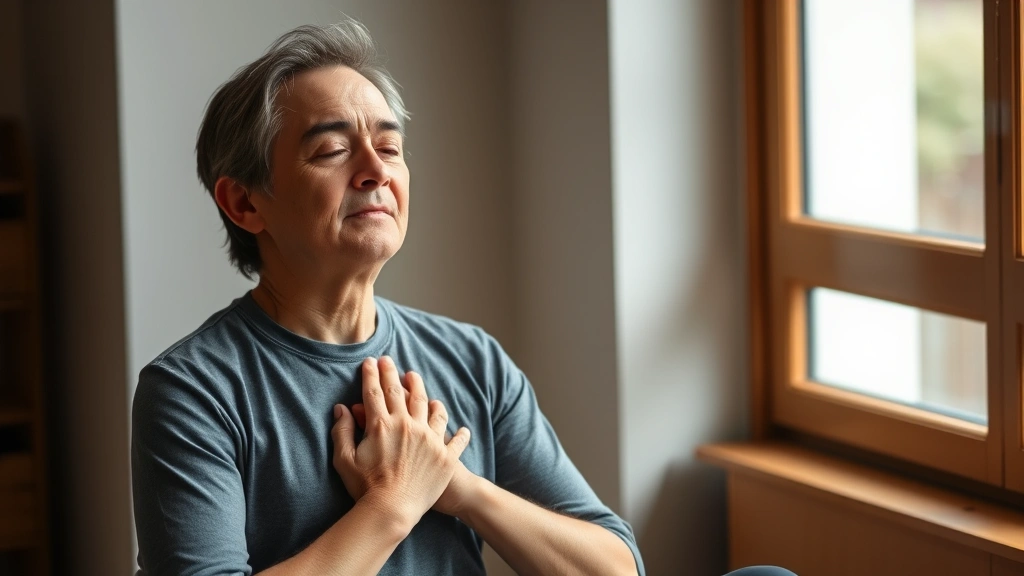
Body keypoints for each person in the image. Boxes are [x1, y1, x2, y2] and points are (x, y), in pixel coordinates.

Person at [130, 17, 644, 576]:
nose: (376, 171)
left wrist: (459, 487)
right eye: (331, 150)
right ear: (245, 204)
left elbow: (617, 568)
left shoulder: (474, 359)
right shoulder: (192, 392)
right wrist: (393, 503)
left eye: (390, 147)